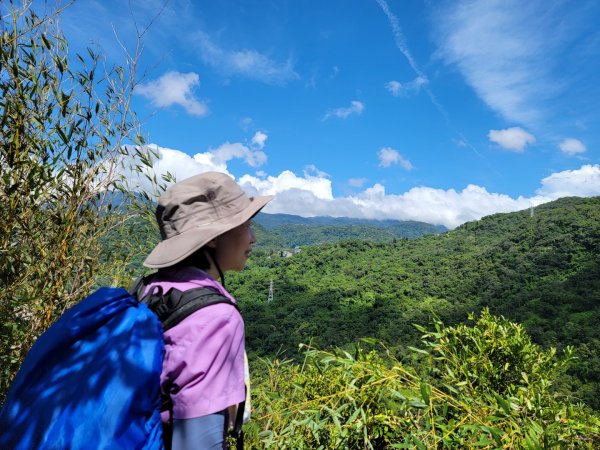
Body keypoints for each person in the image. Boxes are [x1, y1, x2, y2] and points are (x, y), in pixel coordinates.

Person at [141, 172, 273, 449]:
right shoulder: (215, 318)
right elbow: (199, 442)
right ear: (212, 238)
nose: (253, 238)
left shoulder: (148, 289)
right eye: (247, 225)